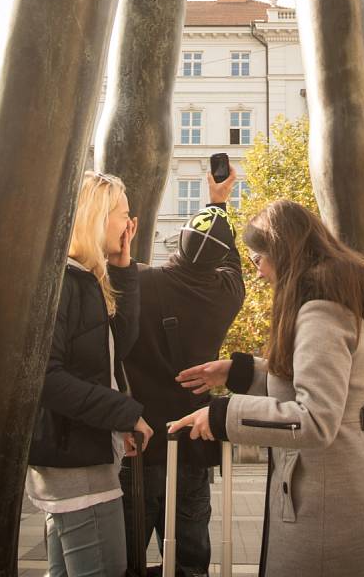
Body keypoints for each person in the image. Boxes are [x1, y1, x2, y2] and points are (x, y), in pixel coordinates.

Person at [169, 199, 364, 577]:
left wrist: (221, 416)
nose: (258, 272)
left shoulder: (321, 310)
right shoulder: (337, 298)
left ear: (283, 253)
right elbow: (324, 380)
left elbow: (316, 418)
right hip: (345, 484)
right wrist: (237, 372)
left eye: (257, 260)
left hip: (325, 502)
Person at [27, 171, 153, 577]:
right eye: (123, 213)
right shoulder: (63, 281)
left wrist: (123, 264)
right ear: (97, 216)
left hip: (79, 455)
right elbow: (44, 376)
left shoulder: (83, 279)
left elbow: (122, 343)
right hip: (75, 465)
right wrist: (124, 414)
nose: (129, 223)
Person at [121, 168, 245, 577]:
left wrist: (213, 203)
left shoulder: (137, 282)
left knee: (127, 559)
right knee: (190, 558)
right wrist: (220, 203)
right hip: (191, 442)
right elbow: (232, 263)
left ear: (178, 243)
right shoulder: (227, 295)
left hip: (137, 444)